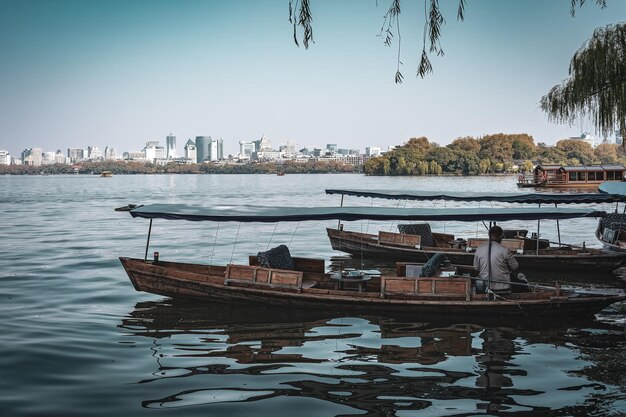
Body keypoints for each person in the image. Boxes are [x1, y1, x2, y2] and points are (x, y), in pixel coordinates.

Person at [473, 226, 519, 294]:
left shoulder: (479, 249)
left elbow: (476, 267)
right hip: (503, 287)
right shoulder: (505, 250)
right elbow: (515, 266)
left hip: (485, 286)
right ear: (501, 236)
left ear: (489, 235)